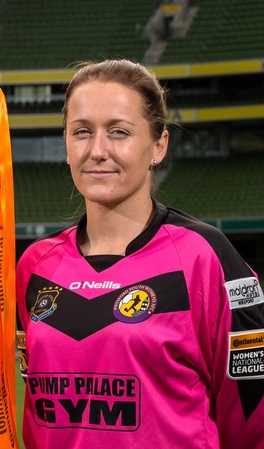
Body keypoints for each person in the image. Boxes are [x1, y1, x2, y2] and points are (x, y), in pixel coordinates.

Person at [16, 59, 264, 448]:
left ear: (158, 145)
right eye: (81, 132)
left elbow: (251, 424)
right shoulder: (35, 265)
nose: (97, 150)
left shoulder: (205, 256)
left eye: (119, 132)